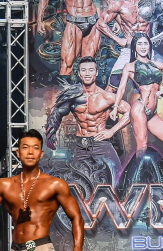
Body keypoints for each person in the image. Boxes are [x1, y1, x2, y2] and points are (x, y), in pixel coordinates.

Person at [45, 56, 129, 186]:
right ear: (79, 73)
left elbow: (130, 112)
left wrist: (112, 131)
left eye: (91, 70)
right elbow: (56, 111)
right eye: (83, 70)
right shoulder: (73, 96)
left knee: (115, 181)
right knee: (78, 185)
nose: (87, 73)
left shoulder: (106, 97)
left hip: (101, 144)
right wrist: (51, 132)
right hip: (82, 145)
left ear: (96, 72)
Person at [112, 33, 163, 175]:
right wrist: (115, 107)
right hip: (140, 109)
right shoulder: (130, 66)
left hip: (152, 113)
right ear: (135, 47)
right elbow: (121, 88)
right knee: (142, 147)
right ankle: (138, 181)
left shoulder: (158, 65)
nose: (143, 47)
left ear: (149, 46)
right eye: (140, 44)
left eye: (145, 43)